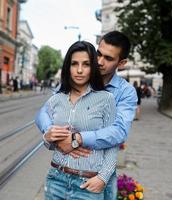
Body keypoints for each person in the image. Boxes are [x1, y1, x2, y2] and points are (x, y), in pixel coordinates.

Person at [35, 31, 137, 199]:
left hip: (95, 176)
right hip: (60, 175)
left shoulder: (125, 92)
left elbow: (118, 132)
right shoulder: (77, 79)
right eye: (98, 54)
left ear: (122, 63)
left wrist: (77, 139)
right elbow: (43, 112)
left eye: (109, 58)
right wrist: (53, 133)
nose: (100, 62)